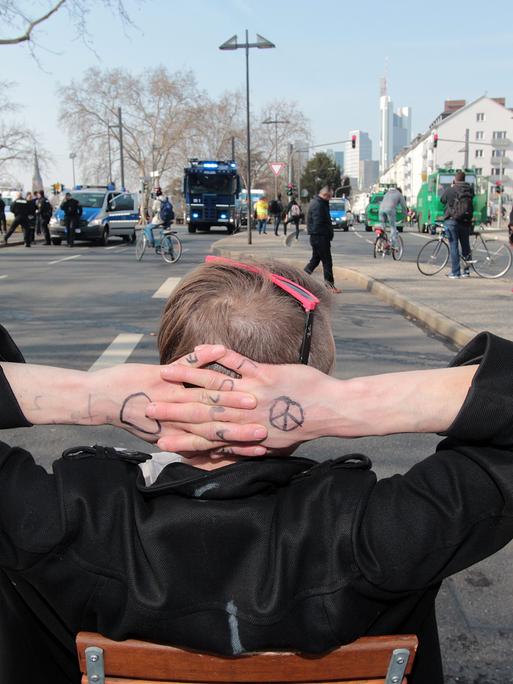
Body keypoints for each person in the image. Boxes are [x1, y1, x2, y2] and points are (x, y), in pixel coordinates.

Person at [2, 257, 513, 684]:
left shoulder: (56, 523)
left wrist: (93, 396)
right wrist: (351, 405)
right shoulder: (385, 533)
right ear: (311, 382)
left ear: (167, 371)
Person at [304, 185, 341, 293]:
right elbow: (319, 222)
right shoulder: (318, 205)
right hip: (320, 237)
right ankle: (330, 286)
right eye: (330, 197)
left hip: (318, 236)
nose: (330, 199)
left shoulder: (320, 203)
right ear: (325, 195)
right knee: (327, 261)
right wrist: (325, 235)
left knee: (315, 260)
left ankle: (301, 278)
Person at [440, 171, 475, 279]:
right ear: (464, 179)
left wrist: (451, 186)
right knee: (466, 246)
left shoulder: (451, 189)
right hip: (465, 221)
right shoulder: (469, 189)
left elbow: (442, 200)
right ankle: (466, 271)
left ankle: (455, 272)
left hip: (452, 220)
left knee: (454, 245)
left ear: (455, 179)